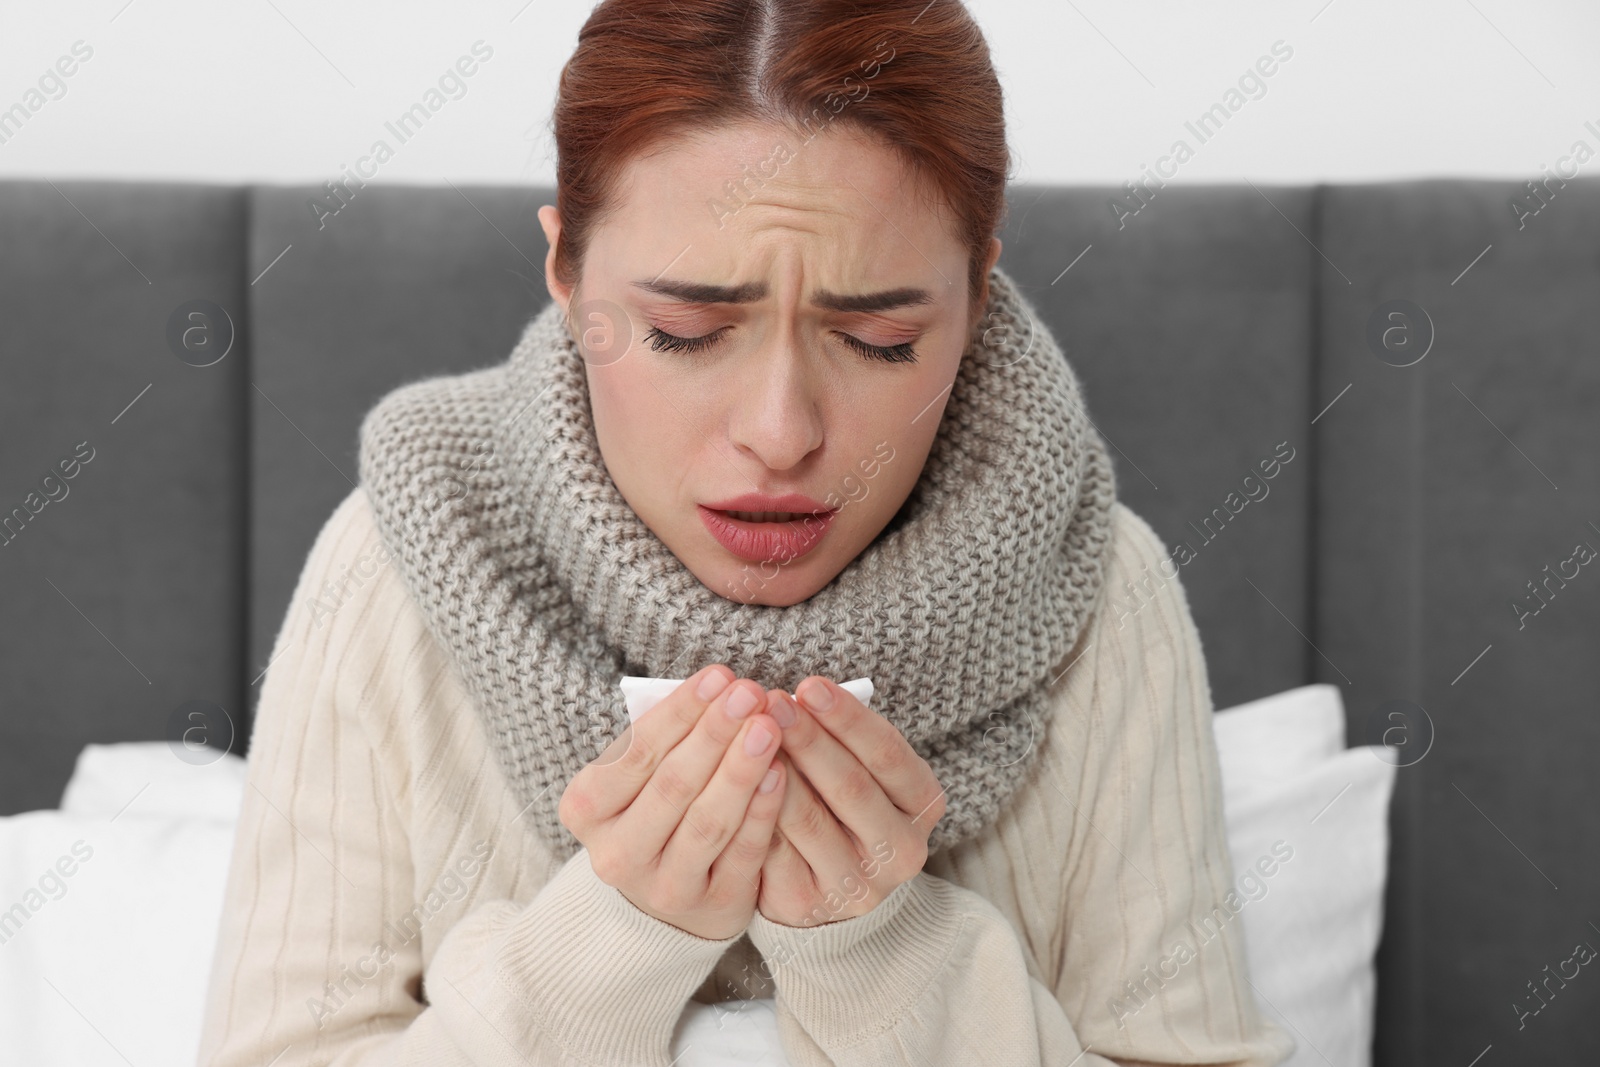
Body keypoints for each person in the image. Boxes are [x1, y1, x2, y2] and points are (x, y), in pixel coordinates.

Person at [196, 1, 1296, 1064]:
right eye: (683, 333)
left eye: (876, 339)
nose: (779, 433)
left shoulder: (1096, 586)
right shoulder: (404, 557)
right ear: (567, 273)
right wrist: (607, 941)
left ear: (975, 298)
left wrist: (887, 955)